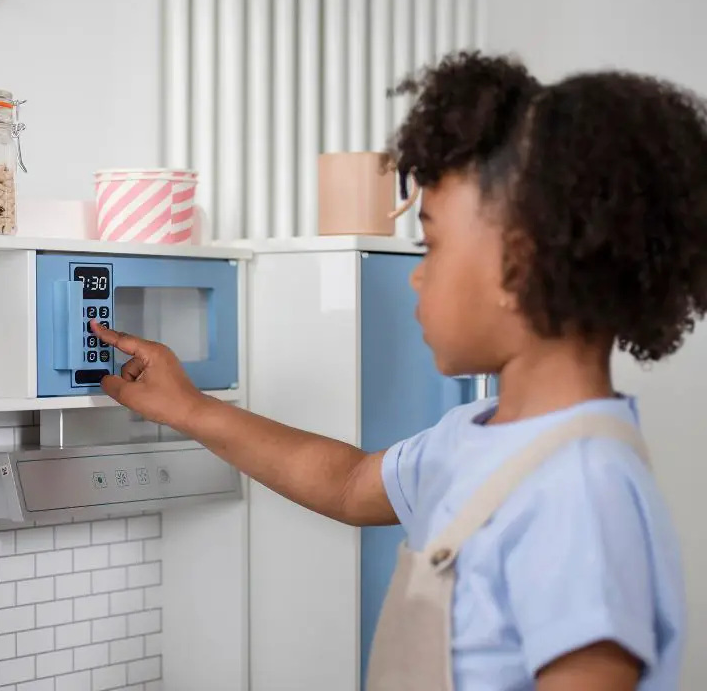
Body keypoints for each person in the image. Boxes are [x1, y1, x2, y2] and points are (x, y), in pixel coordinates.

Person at [90, 51, 706, 690]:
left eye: (431, 244)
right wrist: (190, 409)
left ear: (520, 266)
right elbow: (349, 482)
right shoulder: (475, 434)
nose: (417, 271)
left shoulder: (583, 489)